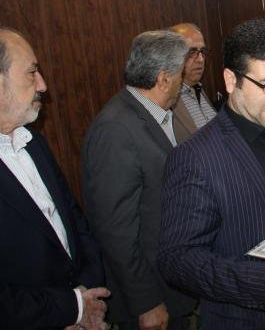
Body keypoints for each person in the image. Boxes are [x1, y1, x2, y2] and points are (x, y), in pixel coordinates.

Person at [157, 19, 265, 330]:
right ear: (231, 80)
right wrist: (259, 281)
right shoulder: (195, 157)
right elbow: (177, 259)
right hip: (252, 318)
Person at [81, 30, 196, 329]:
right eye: (180, 74)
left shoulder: (155, 115)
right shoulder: (115, 129)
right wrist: (146, 302)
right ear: (164, 79)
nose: (183, 81)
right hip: (150, 297)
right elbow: (115, 230)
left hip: (172, 283)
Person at [0, 27, 109, 330]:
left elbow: (75, 220)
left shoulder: (34, 142)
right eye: (32, 73)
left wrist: (86, 295)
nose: (43, 85)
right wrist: (72, 309)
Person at [169, 23, 218, 143]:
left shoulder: (198, 89)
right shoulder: (167, 100)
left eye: (202, 51)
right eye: (191, 52)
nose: (200, 59)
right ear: (171, 56)